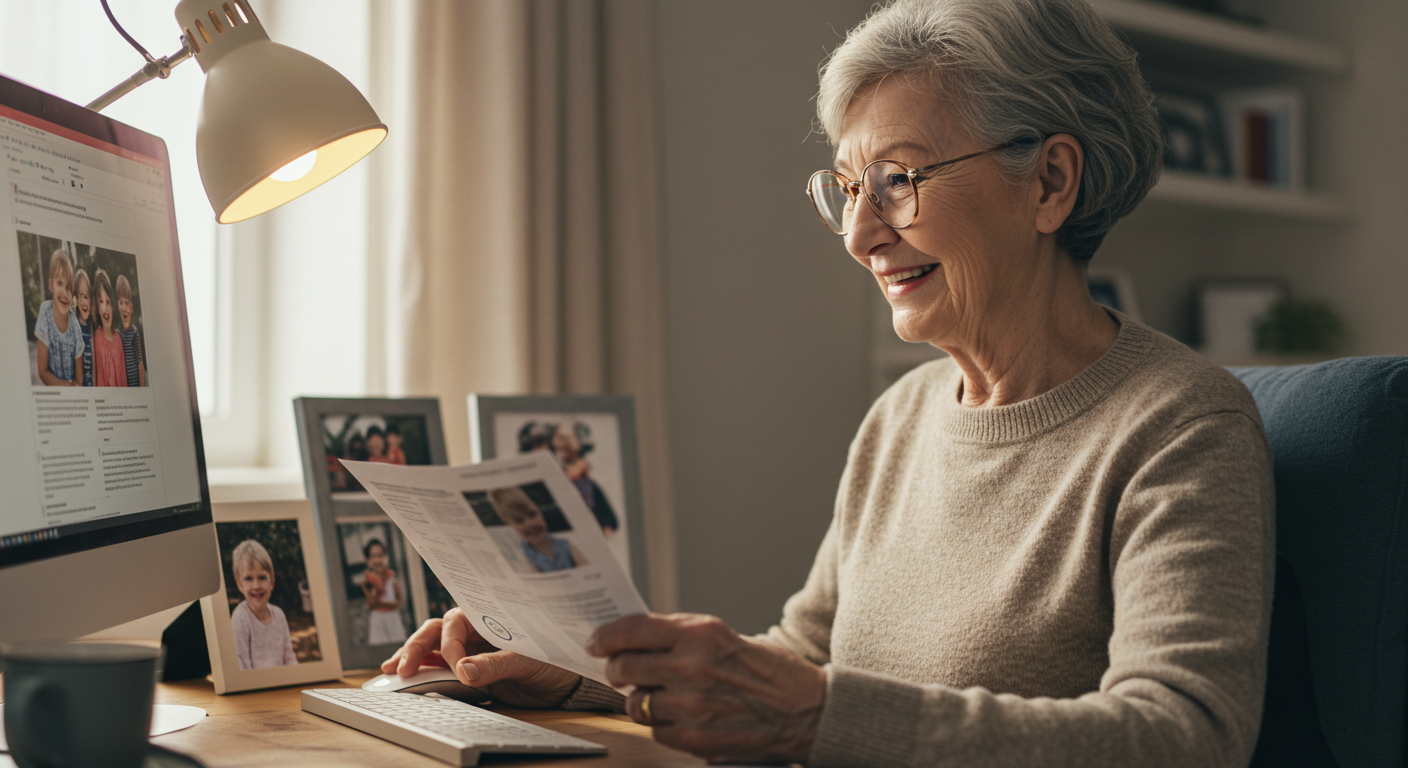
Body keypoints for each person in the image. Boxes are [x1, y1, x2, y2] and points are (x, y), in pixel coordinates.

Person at [383, 1, 1273, 765]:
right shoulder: (903, 418)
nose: (859, 235)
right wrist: (582, 671)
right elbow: (804, 658)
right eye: (846, 188)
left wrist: (816, 714)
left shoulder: (1180, 425)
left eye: (897, 182)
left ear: (1050, 181)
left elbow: (1183, 737)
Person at [229, 539, 298, 670]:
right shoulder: (241, 618)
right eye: (248, 579)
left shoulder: (279, 615)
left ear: (272, 582)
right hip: (255, 688)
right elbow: (242, 665)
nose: (256, 586)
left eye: (262, 578)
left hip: (282, 684)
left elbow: (289, 657)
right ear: (239, 584)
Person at [490, 487, 588, 573]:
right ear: (510, 525)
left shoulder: (566, 545)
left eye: (532, 514)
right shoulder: (524, 555)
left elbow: (587, 570)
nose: (530, 523)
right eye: (519, 521)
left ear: (539, 511)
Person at [550, 423, 619, 535]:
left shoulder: (589, 486)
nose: (560, 444)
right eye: (557, 438)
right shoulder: (552, 480)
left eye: (565, 438)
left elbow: (609, 522)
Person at [34, 249, 83, 387]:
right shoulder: (45, 312)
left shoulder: (75, 324)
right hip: (55, 396)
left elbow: (79, 377)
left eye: (68, 287)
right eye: (59, 283)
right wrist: (65, 387)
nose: (64, 292)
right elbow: (42, 371)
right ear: (51, 284)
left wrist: (76, 388)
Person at [361, 538, 407, 645]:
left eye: (380, 556)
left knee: (398, 646)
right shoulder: (367, 580)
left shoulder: (391, 576)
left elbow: (399, 600)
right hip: (377, 619)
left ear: (386, 558)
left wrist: (386, 604)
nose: (378, 560)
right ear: (368, 561)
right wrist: (376, 586)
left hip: (393, 617)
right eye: (373, 556)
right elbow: (371, 604)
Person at [90, 270, 127, 387]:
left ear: (113, 305)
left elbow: (123, 381)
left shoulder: (118, 340)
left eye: (108, 302)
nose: (105, 308)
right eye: (101, 302)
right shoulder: (97, 336)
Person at [114, 274, 146, 387]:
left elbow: (140, 362)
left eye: (126, 303)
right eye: (121, 303)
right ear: (117, 306)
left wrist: (142, 387)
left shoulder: (134, 332)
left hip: (136, 384)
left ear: (131, 307)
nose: (124, 308)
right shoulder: (117, 334)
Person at [73, 268, 94, 388]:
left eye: (86, 297)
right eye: (79, 296)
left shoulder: (94, 329)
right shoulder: (73, 328)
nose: (83, 301)